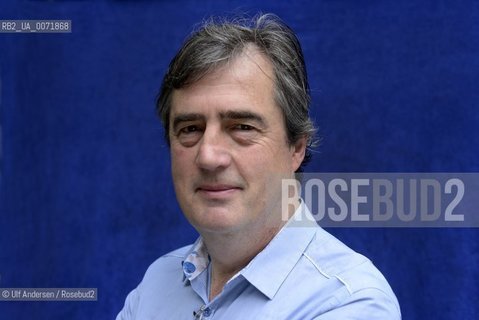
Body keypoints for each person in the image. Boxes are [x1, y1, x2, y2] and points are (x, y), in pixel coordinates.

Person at [117, 13, 401, 319]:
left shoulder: (348, 301)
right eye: (190, 129)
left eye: (242, 127)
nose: (209, 156)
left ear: (296, 148)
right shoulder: (156, 285)